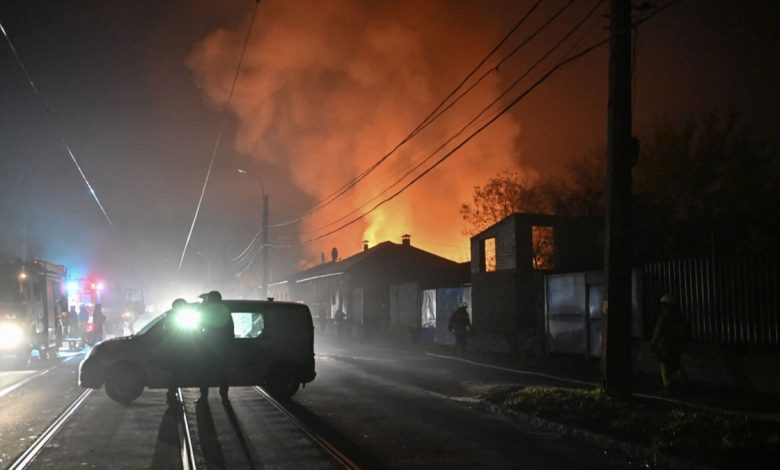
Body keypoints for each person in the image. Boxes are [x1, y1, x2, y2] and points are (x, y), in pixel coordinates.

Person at [197, 291, 234, 403]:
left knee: (204, 372)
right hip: (222, 347)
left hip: (208, 346)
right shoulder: (224, 310)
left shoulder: (208, 311)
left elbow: (200, 325)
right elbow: (230, 329)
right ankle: (224, 396)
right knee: (222, 373)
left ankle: (203, 397)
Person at [650, 294, 691, 393]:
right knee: (676, 364)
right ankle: (683, 382)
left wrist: (653, 344)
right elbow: (686, 330)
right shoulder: (680, 315)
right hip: (677, 346)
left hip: (665, 347)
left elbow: (658, 331)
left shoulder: (664, 316)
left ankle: (668, 387)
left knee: (665, 368)